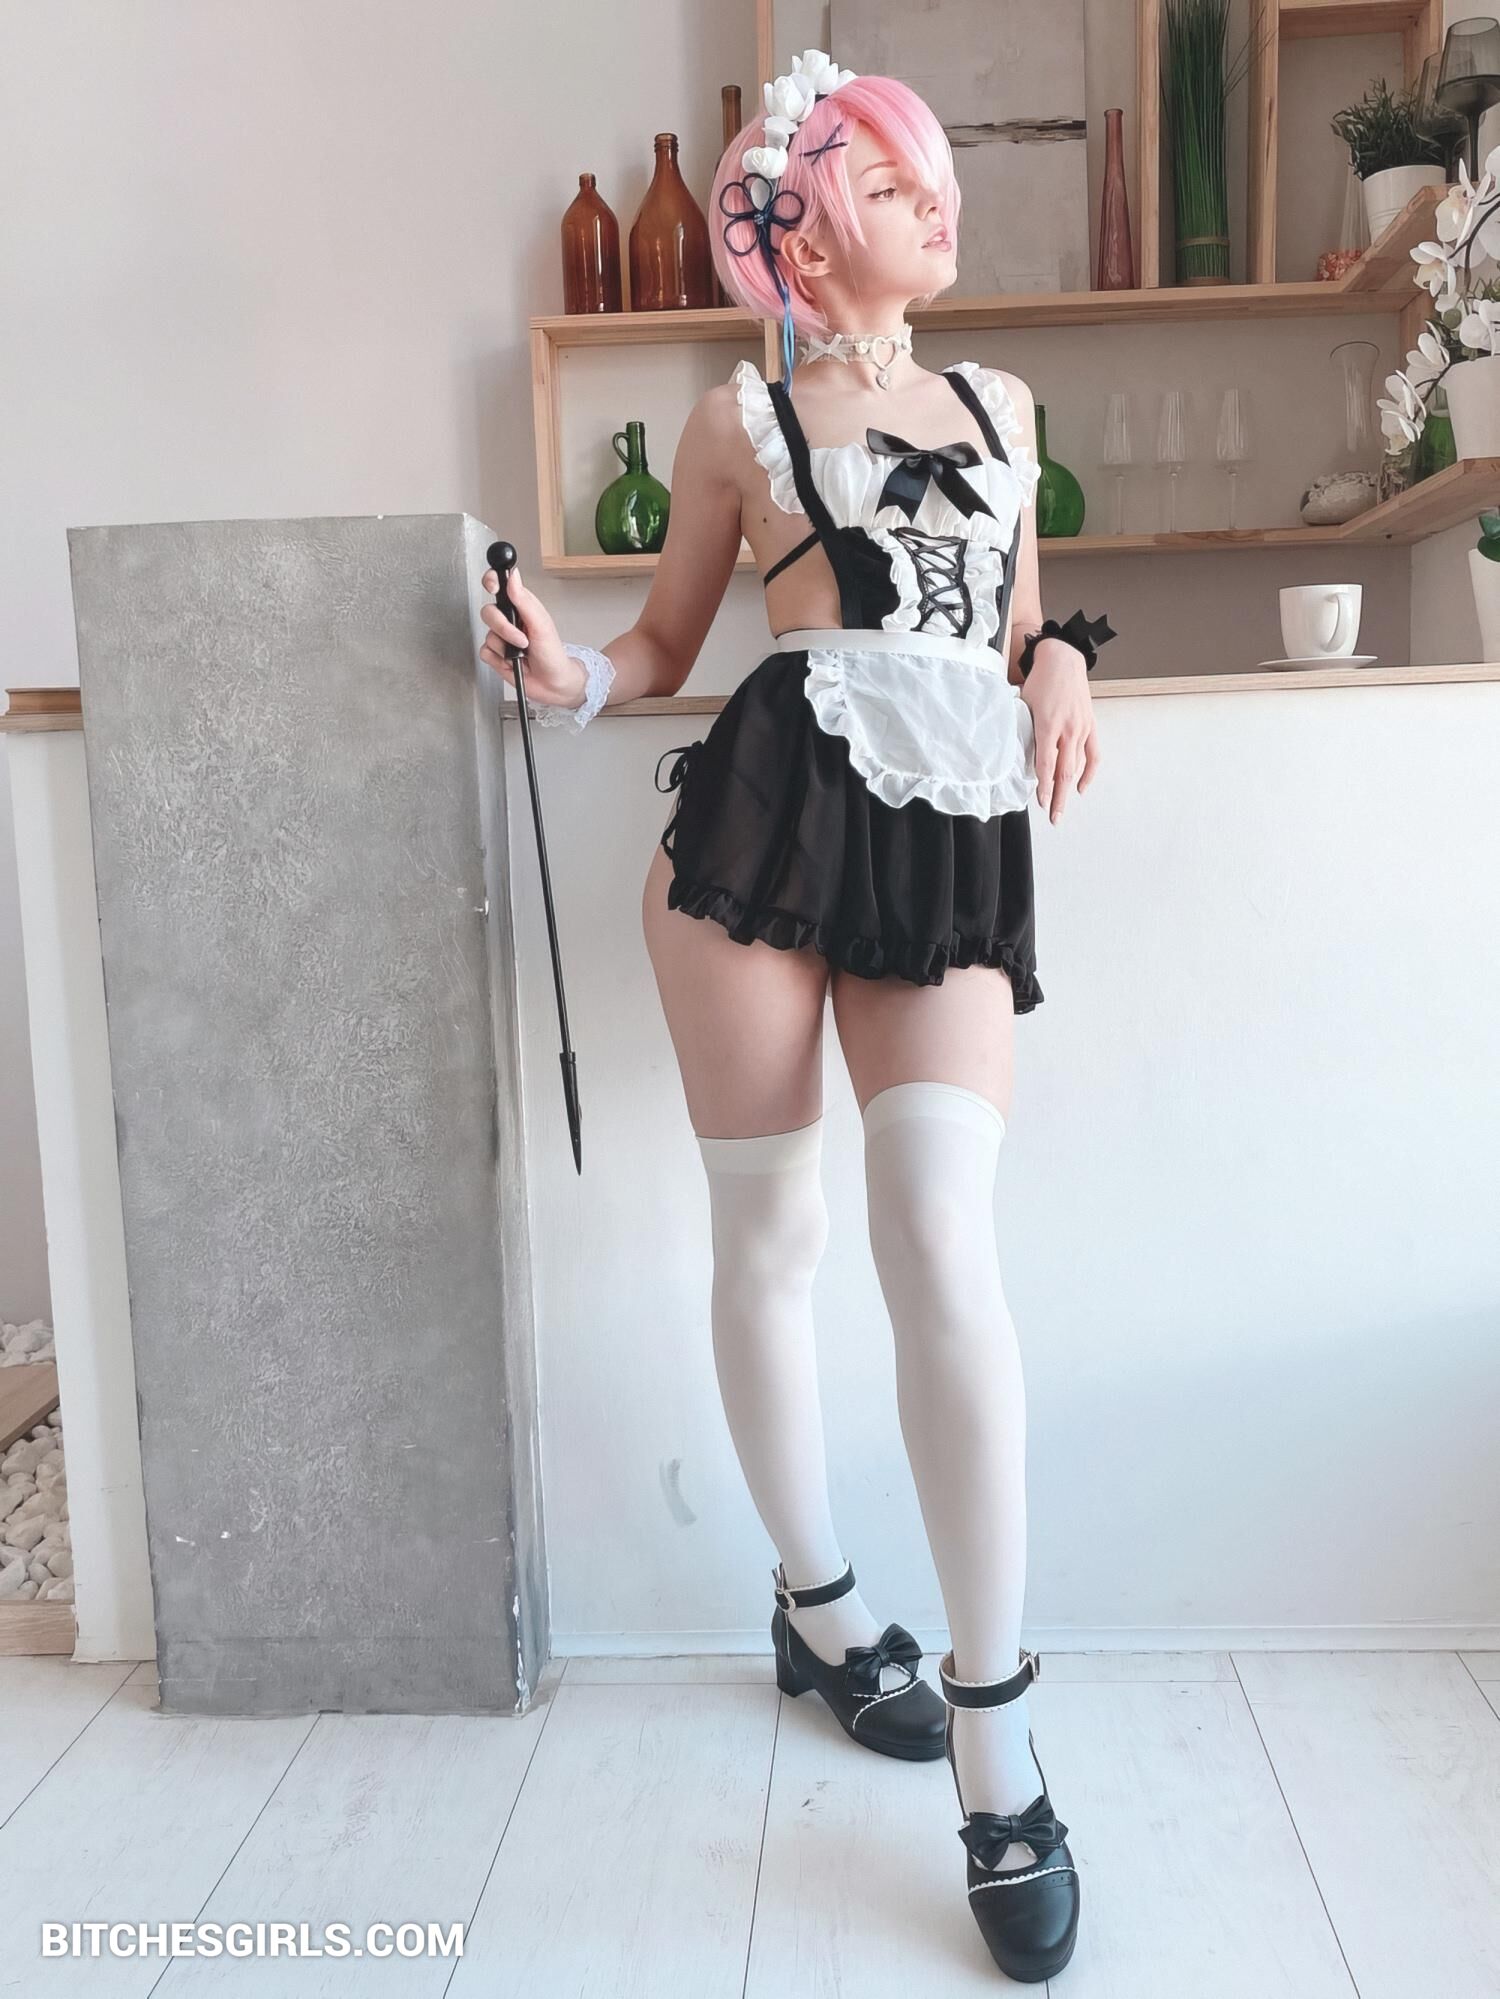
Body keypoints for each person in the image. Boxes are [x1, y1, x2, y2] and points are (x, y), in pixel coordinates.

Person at [479, 49, 1114, 1984]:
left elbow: (1015, 623)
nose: (939, 203)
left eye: (936, 181)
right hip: (767, 817)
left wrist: (1067, 668)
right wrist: (569, 679)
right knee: (772, 1240)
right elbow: (669, 643)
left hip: (946, 828)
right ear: (816, 221)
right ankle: (822, 1608)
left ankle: (996, 1739)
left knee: (942, 1241)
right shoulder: (733, 418)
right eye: (901, 181)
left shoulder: (1001, 403)